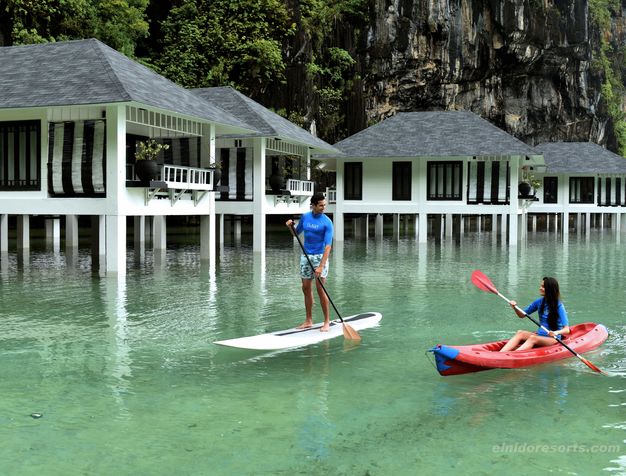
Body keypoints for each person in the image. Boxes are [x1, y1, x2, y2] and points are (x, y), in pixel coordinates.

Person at [286, 193, 334, 332]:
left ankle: (326, 321)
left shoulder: (327, 222)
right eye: (320, 205)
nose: (323, 207)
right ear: (313, 205)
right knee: (305, 288)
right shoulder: (306, 217)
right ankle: (308, 320)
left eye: (324, 205)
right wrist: (290, 226)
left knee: (320, 290)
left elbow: (328, 246)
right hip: (306, 256)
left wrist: (321, 266)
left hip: (320, 257)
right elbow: (296, 234)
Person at [499, 277, 570, 352]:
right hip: (540, 335)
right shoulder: (539, 302)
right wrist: (515, 307)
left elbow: (566, 330)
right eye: (541, 286)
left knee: (533, 338)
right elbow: (522, 315)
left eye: (543, 287)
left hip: (552, 339)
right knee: (520, 333)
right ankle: (501, 353)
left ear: (550, 289)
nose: (540, 288)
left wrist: (556, 332)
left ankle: (512, 355)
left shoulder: (559, 306)